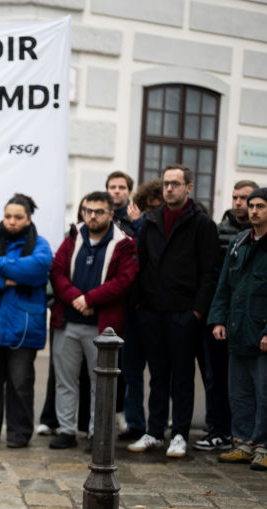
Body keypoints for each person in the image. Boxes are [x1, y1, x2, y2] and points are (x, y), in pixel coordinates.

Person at [128, 164, 219, 458]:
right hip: (151, 311)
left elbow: (210, 272)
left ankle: (179, 434)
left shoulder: (202, 224)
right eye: (166, 183)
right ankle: (154, 432)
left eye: (175, 184)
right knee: (157, 375)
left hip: (184, 312)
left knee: (182, 377)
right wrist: (140, 304)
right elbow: (141, 263)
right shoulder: (151, 220)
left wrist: (197, 312)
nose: (169, 188)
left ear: (188, 188)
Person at [48, 191, 137, 450]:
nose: (92, 216)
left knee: (102, 385)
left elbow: (124, 280)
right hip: (68, 322)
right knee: (65, 380)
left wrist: (89, 300)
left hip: (102, 327)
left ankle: (97, 434)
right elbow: (57, 271)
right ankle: (66, 430)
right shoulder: (73, 236)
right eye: (88, 211)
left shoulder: (124, 243)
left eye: (99, 211)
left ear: (111, 214)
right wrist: (76, 298)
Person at [0, 193, 52, 448]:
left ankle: (19, 433)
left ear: (28, 219)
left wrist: (0, 264)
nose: (11, 221)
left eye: (18, 217)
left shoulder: (40, 245)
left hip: (23, 326)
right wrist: (7, 280)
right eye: (8, 216)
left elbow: (38, 269)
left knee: (21, 382)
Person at [208, 187, 267, 471]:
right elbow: (224, 285)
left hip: (264, 336)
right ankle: (242, 442)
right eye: (251, 206)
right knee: (239, 392)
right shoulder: (239, 242)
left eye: (260, 206)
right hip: (238, 330)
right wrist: (218, 320)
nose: (253, 211)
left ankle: (266, 446)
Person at [193, 180, 259, 453]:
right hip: (220, 317)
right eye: (235, 197)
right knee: (216, 377)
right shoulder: (220, 231)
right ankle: (219, 429)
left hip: (252, 320)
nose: (239, 203)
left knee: (251, 381)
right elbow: (216, 279)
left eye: (245, 198)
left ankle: (247, 434)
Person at [118, 177, 164, 441]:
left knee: (160, 373)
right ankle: (135, 422)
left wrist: (138, 224)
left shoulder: (148, 226)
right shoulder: (130, 227)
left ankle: (158, 425)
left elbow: (151, 253)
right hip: (133, 309)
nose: (150, 214)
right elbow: (132, 257)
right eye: (147, 209)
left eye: (155, 208)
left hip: (158, 309)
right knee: (131, 370)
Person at [106, 170, 141, 236]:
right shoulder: (101, 214)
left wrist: (137, 222)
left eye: (122, 187)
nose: (117, 191)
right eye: (112, 187)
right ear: (107, 191)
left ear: (130, 192)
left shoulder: (139, 215)